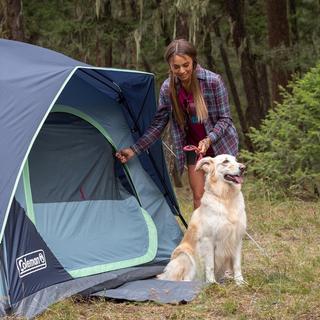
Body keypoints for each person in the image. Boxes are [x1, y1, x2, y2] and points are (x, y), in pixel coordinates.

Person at [116, 39, 238, 209]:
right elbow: (159, 124)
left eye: (185, 65)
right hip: (193, 149)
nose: (181, 71)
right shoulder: (168, 88)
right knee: (199, 197)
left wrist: (209, 139)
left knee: (225, 197)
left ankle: (229, 234)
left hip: (220, 146)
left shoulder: (212, 81)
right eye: (176, 67)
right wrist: (134, 150)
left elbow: (225, 119)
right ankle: (201, 236)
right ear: (170, 66)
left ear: (193, 61)